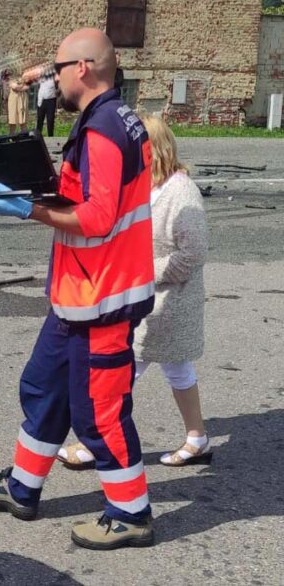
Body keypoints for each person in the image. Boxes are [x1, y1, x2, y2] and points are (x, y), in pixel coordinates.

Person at [0, 28, 156, 550]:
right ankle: (23, 488)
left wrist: (27, 207)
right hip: (80, 298)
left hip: (102, 301)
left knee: (100, 414)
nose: (52, 76)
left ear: (84, 69)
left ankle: (131, 513)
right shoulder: (113, 120)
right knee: (44, 390)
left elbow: (96, 218)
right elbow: (96, 197)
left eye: (57, 67)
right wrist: (44, 188)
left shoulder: (103, 130)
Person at [58, 113, 210, 470]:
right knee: (166, 371)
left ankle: (95, 442)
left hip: (168, 305)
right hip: (144, 301)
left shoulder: (181, 190)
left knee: (122, 373)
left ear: (152, 149)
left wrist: (140, 272)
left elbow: (193, 253)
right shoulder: (144, 184)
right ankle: (197, 437)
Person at [36, 71, 59, 137]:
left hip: (51, 100)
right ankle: (38, 137)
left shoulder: (54, 73)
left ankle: (50, 137)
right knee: (40, 119)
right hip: (42, 100)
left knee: (50, 120)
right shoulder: (40, 74)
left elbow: (57, 83)